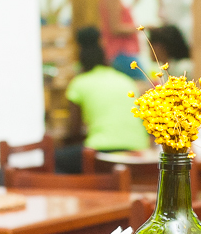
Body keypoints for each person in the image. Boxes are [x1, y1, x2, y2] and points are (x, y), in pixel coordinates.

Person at [56, 27, 150, 173]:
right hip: (138, 147)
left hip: (101, 150)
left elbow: (74, 130)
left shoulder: (79, 83)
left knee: (57, 160)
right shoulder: (125, 80)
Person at [99, 0, 144, 80]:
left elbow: (119, 16)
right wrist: (141, 28)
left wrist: (133, 3)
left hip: (122, 51)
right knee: (147, 87)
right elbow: (115, 27)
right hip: (121, 51)